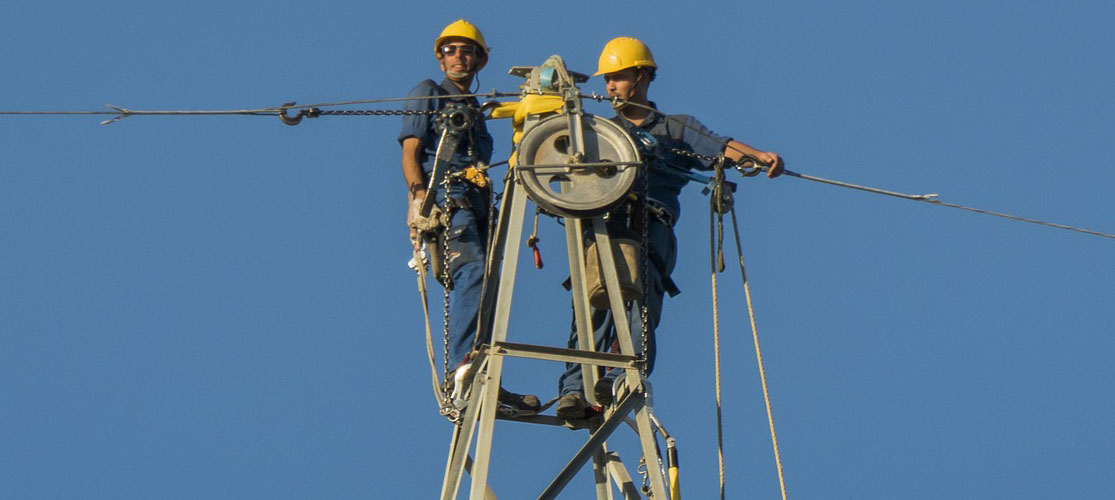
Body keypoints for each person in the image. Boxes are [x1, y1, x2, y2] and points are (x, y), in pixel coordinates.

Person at [555, 36, 785, 419]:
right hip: (603, 228)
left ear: (643, 76)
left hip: (650, 227)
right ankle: (576, 392)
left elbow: (719, 147)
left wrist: (757, 156)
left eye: (619, 77)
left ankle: (621, 377)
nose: (610, 86)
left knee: (637, 307)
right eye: (607, 79)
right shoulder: (596, 132)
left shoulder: (674, 128)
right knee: (590, 309)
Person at [400, 20, 539, 413]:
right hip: (448, 197)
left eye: (466, 51)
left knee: (492, 289)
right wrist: (417, 198)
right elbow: (411, 151)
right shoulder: (428, 92)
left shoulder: (476, 110)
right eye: (450, 50)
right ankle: (464, 368)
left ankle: (487, 378)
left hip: (479, 204)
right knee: (472, 273)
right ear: (440, 57)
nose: (457, 57)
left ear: (480, 60)